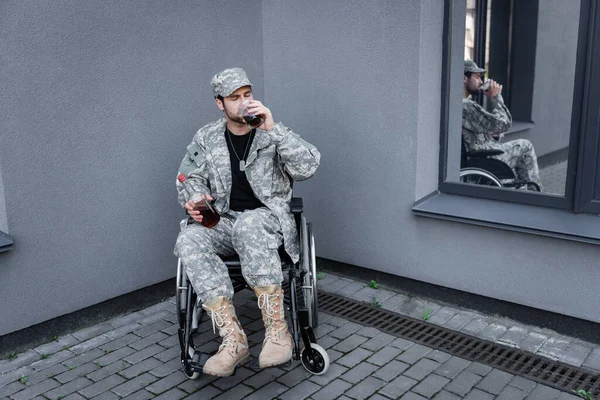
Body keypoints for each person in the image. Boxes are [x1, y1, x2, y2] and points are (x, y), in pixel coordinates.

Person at [173, 67, 320, 377]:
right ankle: (233, 339)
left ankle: (278, 332)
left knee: (250, 225)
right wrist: (195, 198)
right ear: (220, 103)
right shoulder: (207, 137)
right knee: (189, 238)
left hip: (267, 223)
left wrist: (274, 128)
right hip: (224, 222)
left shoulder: (271, 132)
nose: (244, 103)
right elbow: (188, 176)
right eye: (235, 98)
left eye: (247, 95)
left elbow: (308, 166)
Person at [462, 60, 543, 190]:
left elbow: (484, 127)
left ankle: (518, 189)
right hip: (486, 157)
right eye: (477, 77)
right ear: (464, 78)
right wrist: (496, 97)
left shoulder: (462, 104)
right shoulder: (466, 105)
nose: (481, 82)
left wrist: (489, 132)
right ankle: (535, 196)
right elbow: (503, 124)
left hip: (481, 152)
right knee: (525, 146)